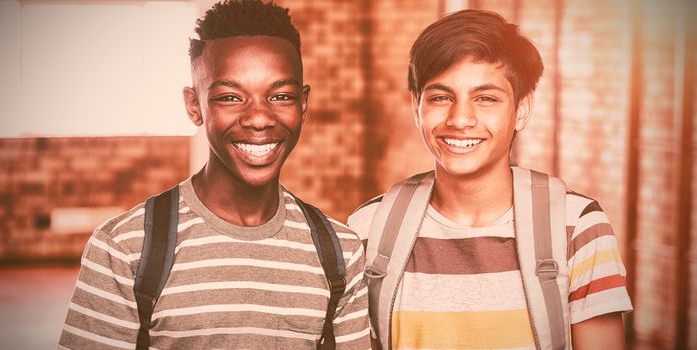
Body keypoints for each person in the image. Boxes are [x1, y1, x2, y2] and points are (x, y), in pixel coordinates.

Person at [58, 1, 370, 349]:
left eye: (280, 95)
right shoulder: (126, 248)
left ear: (303, 103)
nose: (258, 118)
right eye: (230, 97)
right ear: (194, 106)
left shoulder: (341, 253)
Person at [348, 9, 632, 350]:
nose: (461, 119)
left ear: (522, 109)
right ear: (416, 107)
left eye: (485, 99)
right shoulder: (369, 229)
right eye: (441, 97)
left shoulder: (577, 228)